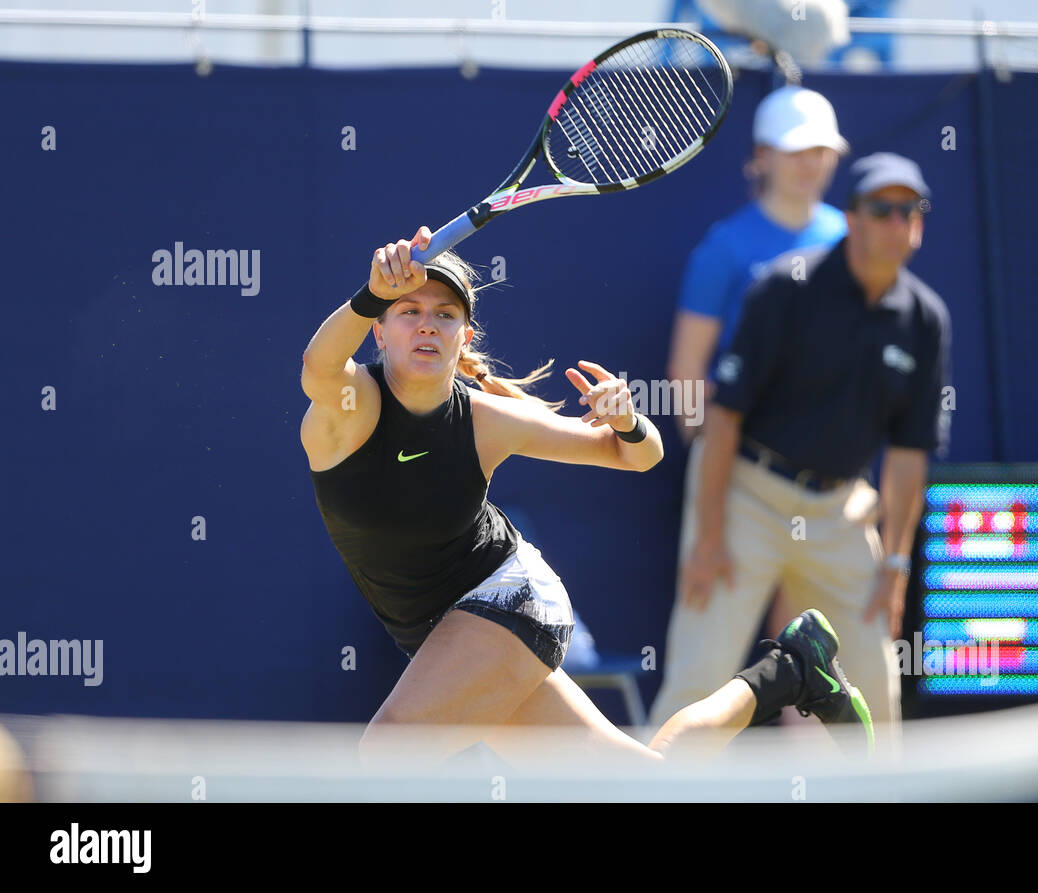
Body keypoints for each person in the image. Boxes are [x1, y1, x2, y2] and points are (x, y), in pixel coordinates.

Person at [299, 228, 875, 766]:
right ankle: (791, 671)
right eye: (408, 311)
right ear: (378, 328)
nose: (427, 325)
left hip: (507, 600)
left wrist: (627, 421)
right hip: (443, 633)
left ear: (464, 337)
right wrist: (369, 294)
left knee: (384, 759)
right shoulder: (350, 408)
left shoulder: (486, 420)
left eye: (444, 315)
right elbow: (318, 367)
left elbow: (639, 454)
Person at [651, 153, 952, 757]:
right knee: (697, 683)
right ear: (852, 219)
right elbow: (725, 418)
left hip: (841, 513)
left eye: (909, 211)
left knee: (873, 697)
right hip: (746, 499)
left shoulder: (924, 320)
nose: (897, 223)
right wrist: (709, 533)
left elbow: (908, 457)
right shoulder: (785, 288)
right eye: (881, 209)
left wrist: (894, 567)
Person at [654, 85, 849, 728]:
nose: (808, 163)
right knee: (701, 673)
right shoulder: (726, 248)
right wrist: (719, 473)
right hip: (739, 483)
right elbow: (688, 370)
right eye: (795, 151)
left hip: (830, 495)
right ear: (762, 156)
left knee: (825, 668)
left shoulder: (853, 240)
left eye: (820, 150)